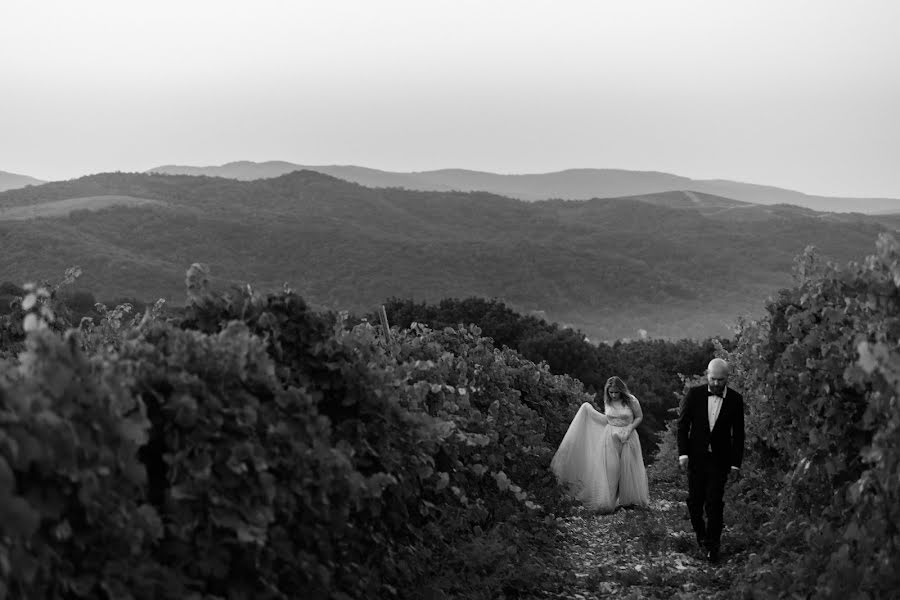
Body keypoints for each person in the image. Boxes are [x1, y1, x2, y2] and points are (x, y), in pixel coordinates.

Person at [677, 358, 745, 563]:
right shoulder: (695, 394)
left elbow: (739, 434)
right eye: (713, 379)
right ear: (707, 375)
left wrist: (735, 463)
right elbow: (683, 425)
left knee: (714, 503)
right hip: (696, 457)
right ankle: (702, 537)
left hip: (720, 459)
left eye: (720, 380)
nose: (716, 384)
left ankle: (713, 547)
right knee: (695, 502)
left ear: (727, 379)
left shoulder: (735, 399)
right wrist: (683, 454)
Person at [551, 376, 650, 513]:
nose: (614, 395)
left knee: (628, 470)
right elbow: (609, 420)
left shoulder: (631, 400)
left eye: (616, 392)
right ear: (607, 392)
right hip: (611, 438)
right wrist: (589, 412)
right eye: (611, 392)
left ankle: (629, 502)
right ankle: (609, 503)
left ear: (621, 391)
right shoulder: (607, 401)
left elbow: (639, 417)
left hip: (628, 438)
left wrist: (629, 429)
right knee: (611, 470)